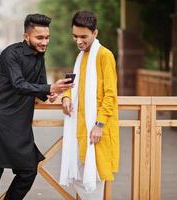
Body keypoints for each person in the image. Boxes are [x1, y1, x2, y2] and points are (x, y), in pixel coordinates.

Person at [0, 13, 72, 200]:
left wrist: (53, 93)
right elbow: (19, 84)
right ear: (26, 37)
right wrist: (49, 87)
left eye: (47, 37)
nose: (45, 42)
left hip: (20, 125)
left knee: (28, 171)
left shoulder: (40, 56)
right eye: (39, 37)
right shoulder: (10, 54)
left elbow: (41, 88)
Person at [59, 10, 119, 200]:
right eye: (75, 36)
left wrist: (99, 125)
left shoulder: (104, 56)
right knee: (78, 174)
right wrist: (66, 97)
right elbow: (74, 85)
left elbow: (111, 94)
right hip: (80, 129)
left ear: (95, 33)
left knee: (93, 182)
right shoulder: (81, 57)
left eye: (83, 36)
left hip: (96, 130)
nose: (78, 41)